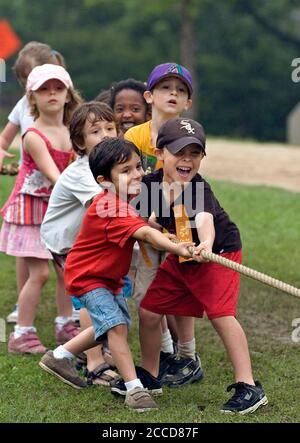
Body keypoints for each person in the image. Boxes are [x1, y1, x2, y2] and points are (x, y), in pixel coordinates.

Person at [39, 138, 194, 411]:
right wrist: (175, 246)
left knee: (114, 323)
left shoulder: (122, 200)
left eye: (138, 167)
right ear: (103, 180)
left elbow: (141, 224)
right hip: (89, 277)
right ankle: (135, 390)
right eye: (125, 171)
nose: (136, 174)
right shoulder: (109, 206)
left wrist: (167, 234)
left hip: (107, 278)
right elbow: (144, 233)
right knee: (116, 327)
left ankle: (59, 356)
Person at [138, 117, 268, 414]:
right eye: (179, 152)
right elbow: (146, 221)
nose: (187, 159)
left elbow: (205, 222)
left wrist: (206, 245)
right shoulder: (149, 185)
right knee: (149, 311)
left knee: (221, 315)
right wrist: (158, 229)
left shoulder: (197, 188)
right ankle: (149, 375)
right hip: (182, 256)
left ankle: (248, 386)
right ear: (159, 154)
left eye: (195, 153)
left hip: (218, 253)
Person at [124, 62, 199, 382]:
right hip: (144, 223)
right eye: (166, 88)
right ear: (149, 96)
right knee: (147, 290)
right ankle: (166, 353)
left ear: (188, 103)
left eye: (180, 90)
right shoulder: (133, 136)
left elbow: (191, 184)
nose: (173, 94)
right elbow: (125, 178)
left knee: (181, 289)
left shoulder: (191, 134)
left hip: (181, 217)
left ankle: (188, 355)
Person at [0, 64, 81, 354]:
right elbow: (54, 175)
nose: (52, 94)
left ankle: (65, 324)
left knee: (64, 271)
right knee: (40, 274)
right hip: (32, 210)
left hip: (56, 210)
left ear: (68, 94)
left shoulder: (72, 131)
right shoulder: (33, 134)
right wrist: (85, 195)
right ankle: (22, 334)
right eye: (44, 89)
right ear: (31, 98)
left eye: (58, 88)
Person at [41, 101, 119, 385]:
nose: (107, 134)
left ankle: (99, 351)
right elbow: (105, 207)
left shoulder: (110, 167)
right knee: (89, 300)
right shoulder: (81, 172)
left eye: (111, 128)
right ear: (80, 142)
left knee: (100, 297)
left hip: (87, 244)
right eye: (96, 131)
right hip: (68, 245)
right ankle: (94, 362)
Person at [0, 41, 66, 324]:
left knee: (63, 253)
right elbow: (5, 137)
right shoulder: (22, 107)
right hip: (30, 187)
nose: (35, 84)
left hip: (59, 191)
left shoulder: (63, 108)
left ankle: (69, 311)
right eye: (27, 80)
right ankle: (21, 304)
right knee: (26, 251)